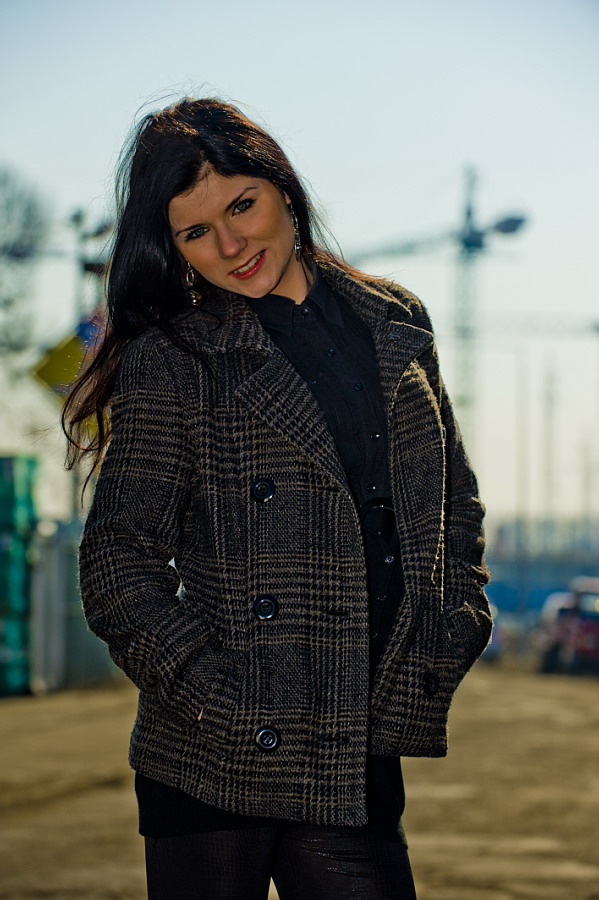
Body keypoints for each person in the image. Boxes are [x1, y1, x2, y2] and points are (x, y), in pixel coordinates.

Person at [63, 97, 493, 900]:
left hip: (354, 746)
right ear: (173, 248)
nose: (230, 246)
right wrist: (215, 696)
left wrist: (453, 624)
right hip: (215, 759)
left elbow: (451, 505)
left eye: (241, 206)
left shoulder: (395, 320)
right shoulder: (176, 359)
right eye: (195, 232)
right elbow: (118, 563)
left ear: (283, 190)